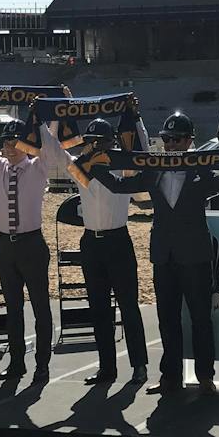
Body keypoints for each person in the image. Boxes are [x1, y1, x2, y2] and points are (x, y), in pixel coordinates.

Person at [91, 111, 219, 397]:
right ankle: (170, 377)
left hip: (196, 256)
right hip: (164, 256)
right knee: (167, 320)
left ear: (189, 141)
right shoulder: (152, 170)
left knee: (201, 318)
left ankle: (205, 377)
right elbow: (119, 185)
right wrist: (93, 166)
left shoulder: (201, 170)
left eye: (177, 140)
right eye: (166, 139)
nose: (171, 145)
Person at [0, 100, 70, 383]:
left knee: (41, 307)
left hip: (32, 244)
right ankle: (17, 362)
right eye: (6, 141)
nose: (8, 146)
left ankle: (42, 363)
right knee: (13, 307)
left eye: (14, 141)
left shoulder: (37, 167)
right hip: (5, 245)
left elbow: (52, 142)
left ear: (25, 144)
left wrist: (56, 110)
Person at [68, 115, 150, 387]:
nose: (94, 148)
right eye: (90, 143)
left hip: (118, 240)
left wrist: (135, 119)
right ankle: (107, 368)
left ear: (111, 143)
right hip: (91, 242)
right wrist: (59, 113)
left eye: (99, 142)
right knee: (99, 309)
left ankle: (139, 366)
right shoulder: (82, 168)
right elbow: (57, 151)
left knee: (128, 307)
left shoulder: (122, 166)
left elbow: (142, 150)